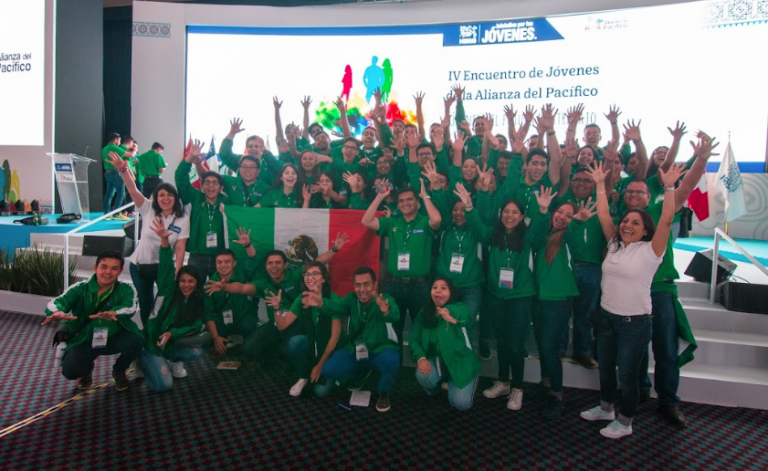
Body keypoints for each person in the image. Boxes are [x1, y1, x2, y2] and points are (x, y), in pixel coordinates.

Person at [580, 159, 687, 439]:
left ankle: (625, 422)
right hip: (606, 318)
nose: (627, 225)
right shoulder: (615, 244)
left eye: (635, 223)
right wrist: (600, 184)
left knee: (628, 375)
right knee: (606, 369)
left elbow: (667, 219)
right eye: (626, 221)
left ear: (646, 230)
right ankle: (606, 408)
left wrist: (669, 187)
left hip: (634, 324)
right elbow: (604, 214)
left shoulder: (652, 252)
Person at [467, 187, 553, 411]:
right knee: (502, 342)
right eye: (506, 211)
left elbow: (540, 231)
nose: (510, 215)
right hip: (496, 296)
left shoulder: (528, 237)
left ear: (522, 216)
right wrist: (469, 206)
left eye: (515, 212)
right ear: (501, 214)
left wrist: (543, 211)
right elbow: (476, 225)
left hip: (520, 298)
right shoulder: (493, 235)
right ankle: (503, 382)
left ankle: (517, 388)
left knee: (515, 345)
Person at [209, 234, 348, 363]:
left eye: (278, 263)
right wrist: (225, 287)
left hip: (296, 323)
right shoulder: (263, 283)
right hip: (276, 324)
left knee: (287, 350)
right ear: (266, 266)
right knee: (248, 347)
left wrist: (334, 249)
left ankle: (283, 353)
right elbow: (242, 288)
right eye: (270, 263)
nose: (274, 267)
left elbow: (317, 263)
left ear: (285, 265)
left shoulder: (295, 276)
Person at [108, 152, 189, 326]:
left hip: (164, 267)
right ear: (156, 199)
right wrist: (123, 170)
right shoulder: (148, 209)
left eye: (169, 195)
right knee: (146, 303)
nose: (165, 198)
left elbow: (180, 246)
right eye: (161, 195)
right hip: (140, 265)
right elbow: (132, 189)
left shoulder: (182, 218)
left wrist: (178, 270)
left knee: (165, 301)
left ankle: (163, 331)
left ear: (175, 198)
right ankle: (148, 334)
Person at [43, 250, 142, 391]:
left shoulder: (127, 289)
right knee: (71, 371)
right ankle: (86, 371)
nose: (108, 272)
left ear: (120, 271)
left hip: (114, 336)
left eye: (114, 268)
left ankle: (119, 370)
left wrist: (114, 312)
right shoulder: (80, 288)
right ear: (95, 268)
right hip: (85, 338)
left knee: (137, 340)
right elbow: (57, 302)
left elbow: (130, 307)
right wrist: (57, 311)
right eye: (104, 267)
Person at [361, 182, 442, 352]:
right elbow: (366, 221)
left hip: (420, 285)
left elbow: (437, 220)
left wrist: (425, 196)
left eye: (410, 199)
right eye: (401, 201)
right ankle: (395, 363)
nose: (405, 203)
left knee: (421, 327)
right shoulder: (392, 222)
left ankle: (422, 361)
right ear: (397, 204)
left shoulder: (424, 222)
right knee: (394, 327)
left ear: (417, 202)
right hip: (395, 284)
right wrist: (380, 196)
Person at [533, 200, 595, 419]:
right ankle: (546, 383)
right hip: (538, 298)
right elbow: (534, 234)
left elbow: (576, 237)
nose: (562, 217)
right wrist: (542, 211)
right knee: (542, 344)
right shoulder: (544, 235)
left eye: (569, 215)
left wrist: (578, 222)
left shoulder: (568, 237)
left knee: (550, 348)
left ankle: (557, 395)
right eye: (560, 212)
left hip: (558, 301)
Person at [315, 267, 400, 411]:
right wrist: (321, 303)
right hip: (356, 349)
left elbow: (395, 314)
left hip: (380, 350)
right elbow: (335, 306)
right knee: (328, 370)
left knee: (392, 360)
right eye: (358, 285)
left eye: (366, 284)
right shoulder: (351, 299)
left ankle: (384, 391)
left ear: (375, 284)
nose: (362, 289)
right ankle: (361, 372)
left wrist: (386, 310)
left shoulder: (384, 299)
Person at [137, 219, 205, 391]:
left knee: (197, 352)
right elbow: (166, 266)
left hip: (170, 343)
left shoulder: (197, 301)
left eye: (191, 281)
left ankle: (173, 360)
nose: (186, 285)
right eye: (183, 281)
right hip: (152, 344)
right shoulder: (167, 290)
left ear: (197, 283)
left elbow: (196, 325)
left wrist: (172, 333)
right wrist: (164, 241)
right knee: (164, 385)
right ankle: (142, 361)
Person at [410, 277, 481, 411]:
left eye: (443, 288)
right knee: (423, 375)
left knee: (460, 403)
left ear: (451, 292)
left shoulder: (459, 308)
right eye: (435, 287)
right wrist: (421, 358)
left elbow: (464, 315)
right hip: (438, 361)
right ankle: (440, 384)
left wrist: (450, 313)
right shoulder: (424, 312)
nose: (438, 291)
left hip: (460, 363)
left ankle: (461, 381)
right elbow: (414, 338)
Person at [275, 262, 342, 397]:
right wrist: (277, 308)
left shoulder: (333, 299)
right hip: (313, 343)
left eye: (315, 274)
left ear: (324, 279)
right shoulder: (302, 297)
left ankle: (334, 373)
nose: (310, 277)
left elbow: (335, 338)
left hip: (332, 349)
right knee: (295, 342)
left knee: (320, 392)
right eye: (307, 274)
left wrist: (319, 366)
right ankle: (303, 376)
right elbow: (282, 325)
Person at [175, 139, 229, 280]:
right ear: (202, 185)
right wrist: (189, 158)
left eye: (215, 183)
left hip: (220, 257)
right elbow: (180, 178)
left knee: (219, 290)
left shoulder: (227, 202)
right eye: (207, 183)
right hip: (196, 257)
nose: (211, 186)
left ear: (221, 188)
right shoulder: (195, 198)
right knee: (195, 289)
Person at [203, 248, 261, 358]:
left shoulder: (242, 275)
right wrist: (215, 338)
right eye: (219, 262)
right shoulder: (208, 286)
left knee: (249, 327)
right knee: (208, 338)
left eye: (227, 262)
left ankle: (245, 349)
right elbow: (208, 314)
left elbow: (253, 260)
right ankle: (222, 347)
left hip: (243, 319)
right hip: (222, 322)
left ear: (234, 263)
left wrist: (247, 245)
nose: (223, 265)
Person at [102, 132, 134, 220]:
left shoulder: (105, 148)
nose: (119, 143)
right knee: (121, 193)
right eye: (119, 140)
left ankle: (107, 213)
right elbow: (130, 155)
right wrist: (134, 149)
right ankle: (116, 213)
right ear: (116, 139)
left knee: (109, 194)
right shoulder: (113, 147)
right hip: (115, 173)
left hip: (107, 172)